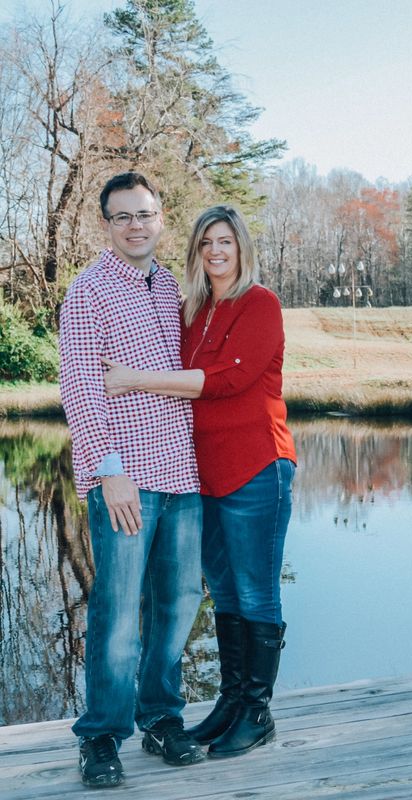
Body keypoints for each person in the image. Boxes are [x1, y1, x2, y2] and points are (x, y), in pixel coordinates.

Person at [103, 204, 297, 759]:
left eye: (225, 242)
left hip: (259, 466)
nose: (215, 251)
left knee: (257, 588)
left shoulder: (260, 305)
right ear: (196, 251)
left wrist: (136, 378)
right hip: (204, 475)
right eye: (206, 242)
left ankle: (257, 713)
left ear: (241, 249)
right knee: (228, 590)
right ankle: (232, 703)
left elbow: (227, 380)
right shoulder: (195, 309)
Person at [59, 172, 204, 788]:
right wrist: (108, 473)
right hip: (126, 478)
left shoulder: (170, 284)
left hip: (182, 474)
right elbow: (80, 388)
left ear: (161, 217)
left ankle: (162, 719)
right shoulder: (88, 291)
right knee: (118, 614)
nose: (135, 225)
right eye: (123, 216)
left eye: (144, 214)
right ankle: (101, 738)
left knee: (176, 605)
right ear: (106, 224)